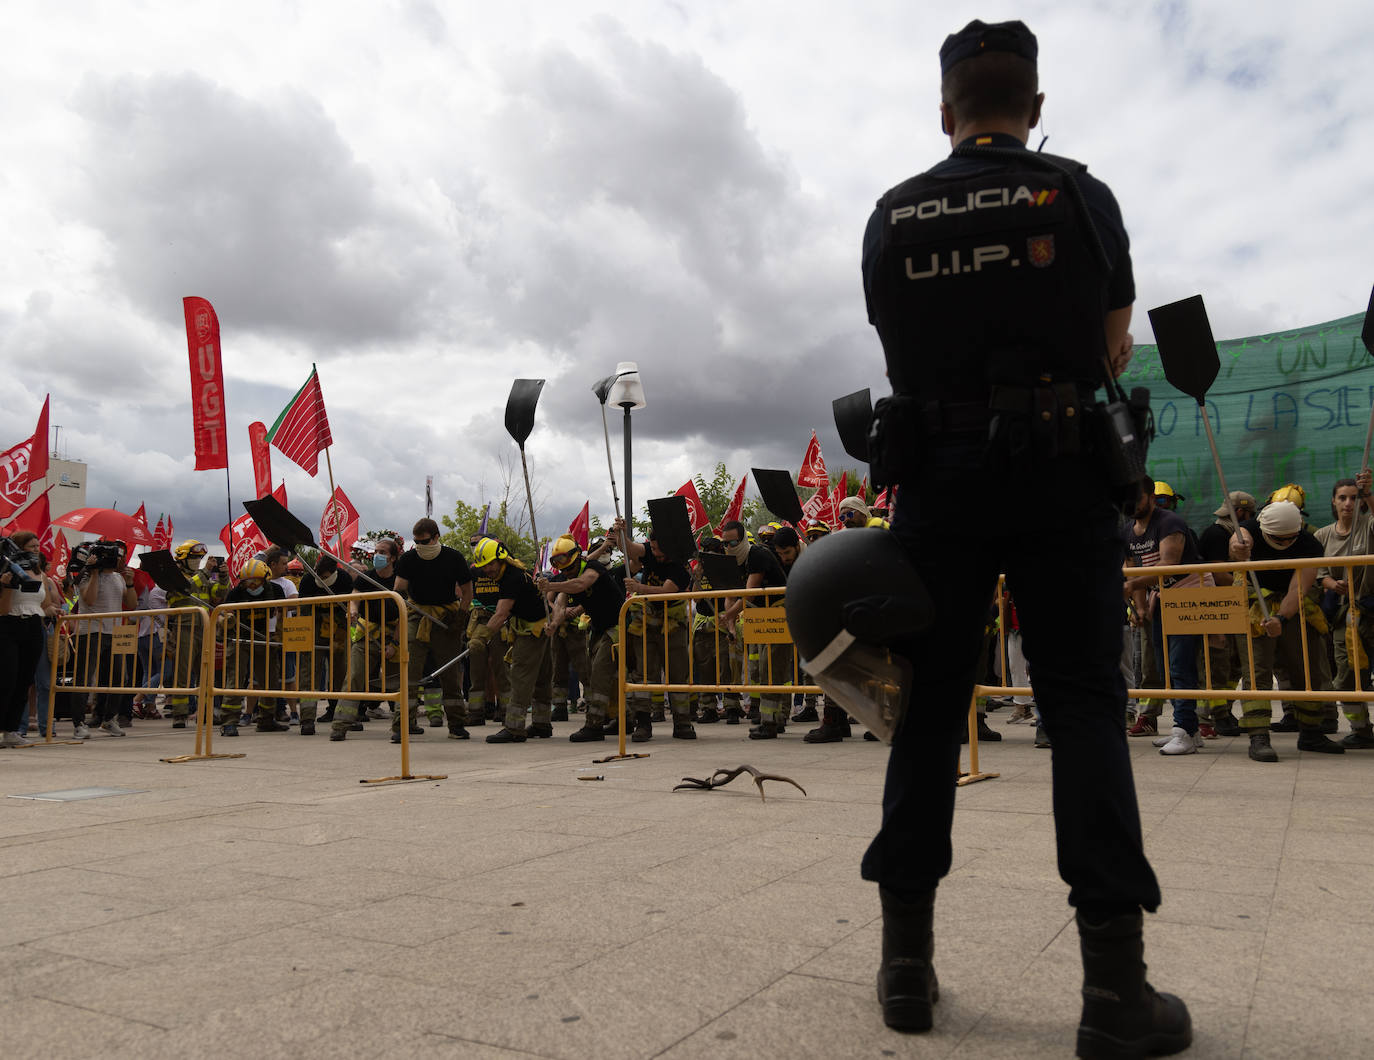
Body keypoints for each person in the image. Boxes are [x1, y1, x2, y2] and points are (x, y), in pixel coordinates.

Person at [839, 19, 1189, 1051]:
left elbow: (898, 340)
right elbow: (1116, 341)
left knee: (929, 709)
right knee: (1082, 703)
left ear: (946, 113)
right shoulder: (1080, 194)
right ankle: (1115, 992)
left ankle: (906, 968)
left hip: (937, 482)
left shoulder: (892, 215)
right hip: (1060, 469)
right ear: (1034, 110)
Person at [1229, 499, 1343, 759]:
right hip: (1254, 603)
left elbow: (1298, 588)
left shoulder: (1309, 544)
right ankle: (1258, 736)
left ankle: (1311, 732)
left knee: (1306, 666)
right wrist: (1238, 547)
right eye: (1277, 540)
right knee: (1257, 671)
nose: (1284, 544)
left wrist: (1281, 618)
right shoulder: (1251, 531)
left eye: (1289, 539)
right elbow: (1238, 540)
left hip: (1294, 606)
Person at [1123, 477, 1209, 756]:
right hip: (1160, 597)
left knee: (1180, 664)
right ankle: (1191, 731)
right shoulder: (1128, 531)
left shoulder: (1169, 522)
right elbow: (1131, 569)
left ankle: (1182, 729)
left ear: (1150, 496)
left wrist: (1134, 585)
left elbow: (1169, 563)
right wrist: (1140, 607)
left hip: (1188, 593)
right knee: (1164, 668)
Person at [536, 535, 622, 742]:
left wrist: (551, 586)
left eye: (568, 568)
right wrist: (554, 625)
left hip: (619, 626)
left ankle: (594, 725)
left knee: (599, 674)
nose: (566, 573)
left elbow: (581, 584)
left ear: (577, 559)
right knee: (613, 678)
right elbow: (560, 605)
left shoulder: (592, 568)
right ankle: (624, 719)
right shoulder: (568, 577)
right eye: (561, 569)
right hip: (600, 630)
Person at [394, 518, 474, 739]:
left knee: (449, 675)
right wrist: (401, 598)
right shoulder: (408, 559)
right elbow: (398, 590)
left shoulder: (454, 558)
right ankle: (402, 725)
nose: (420, 545)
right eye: (417, 542)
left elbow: (467, 592)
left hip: (446, 619)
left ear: (437, 537)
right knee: (409, 673)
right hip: (416, 617)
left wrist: (461, 616)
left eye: (425, 541)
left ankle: (456, 724)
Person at [471, 538, 551, 743]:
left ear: (501, 559)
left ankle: (515, 728)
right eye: (483, 566)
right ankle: (542, 724)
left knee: (520, 676)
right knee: (541, 677)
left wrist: (481, 637)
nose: (487, 569)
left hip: (533, 630)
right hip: (541, 626)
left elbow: (500, 614)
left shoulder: (512, 578)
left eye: (490, 564)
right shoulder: (509, 573)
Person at [1314, 470, 1374, 747]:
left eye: (1353, 497)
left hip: (1371, 608)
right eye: (1343, 498)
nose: (1348, 503)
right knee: (1347, 675)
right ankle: (1361, 730)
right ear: (1334, 501)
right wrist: (1330, 582)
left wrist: (1369, 494)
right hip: (1344, 617)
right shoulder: (1323, 535)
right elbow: (1317, 571)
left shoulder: (1368, 524)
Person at [1, 532, 48, 747]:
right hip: (9, 624)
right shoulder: (6, 570)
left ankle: (11, 730)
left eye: (38, 545)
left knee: (24, 680)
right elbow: (2, 609)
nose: (37, 549)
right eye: (31, 546)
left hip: (34, 625)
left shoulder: (40, 573)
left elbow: (43, 603)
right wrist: (8, 585)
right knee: (7, 679)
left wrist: (53, 608)